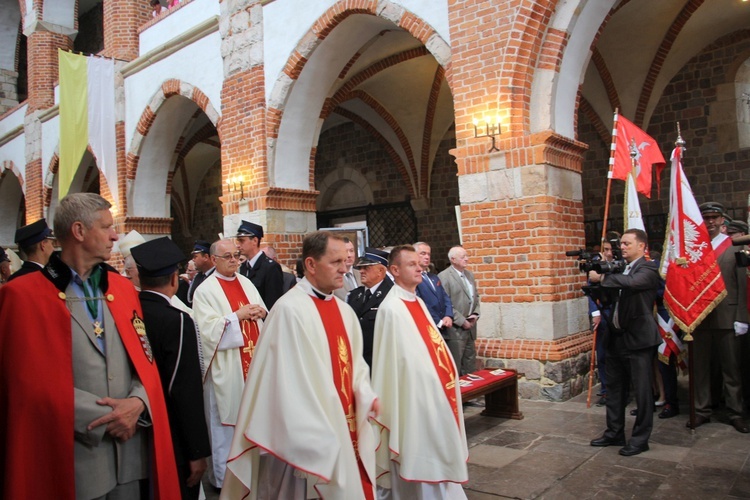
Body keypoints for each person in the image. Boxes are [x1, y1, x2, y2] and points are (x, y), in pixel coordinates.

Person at [0, 192, 179, 499]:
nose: (115, 235)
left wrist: (138, 403)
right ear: (79, 231)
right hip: (74, 456)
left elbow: (144, 359)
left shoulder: (122, 289)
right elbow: (23, 383)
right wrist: (104, 419)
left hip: (130, 453)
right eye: (107, 227)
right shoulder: (22, 295)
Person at [223, 231, 378, 499]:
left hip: (344, 430)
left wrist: (366, 395)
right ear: (310, 264)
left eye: (345, 260)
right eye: (335, 262)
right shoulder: (289, 311)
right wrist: (320, 431)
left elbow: (356, 368)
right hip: (302, 442)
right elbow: (286, 385)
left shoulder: (345, 311)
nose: (345, 268)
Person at [371, 245, 468, 498]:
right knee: (420, 452)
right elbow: (394, 363)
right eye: (412, 264)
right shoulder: (391, 308)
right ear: (394, 270)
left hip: (435, 395)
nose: (420, 267)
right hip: (413, 399)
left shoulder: (417, 302)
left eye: (420, 262)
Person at [133, 237, 211, 500]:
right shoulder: (177, 320)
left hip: (137, 423)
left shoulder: (128, 313)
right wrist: (197, 451)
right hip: (172, 434)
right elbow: (184, 389)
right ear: (174, 279)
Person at [193, 239, 267, 489]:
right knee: (225, 425)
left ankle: (255, 474)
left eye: (237, 255)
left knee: (253, 418)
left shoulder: (246, 282)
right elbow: (205, 330)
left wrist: (261, 314)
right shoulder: (206, 290)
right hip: (227, 368)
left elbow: (262, 312)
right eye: (228, 256)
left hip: (253, 363)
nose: (235, 260)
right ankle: (225, 480)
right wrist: (237, 316)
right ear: (214, 260)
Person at [588, 228, 661, 456]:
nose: (622, 247)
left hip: (638, 338)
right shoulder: (621, 268)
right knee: (615, 389)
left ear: (642, 246)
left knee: (641, 392)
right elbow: (611, 294)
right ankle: (614, 432)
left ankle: (640, 439)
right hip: (616, 337)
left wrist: (603, 277)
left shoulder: (648, 268)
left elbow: (631, 283)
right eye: (621, 243)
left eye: (627, 243)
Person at [691, 202, 749, 433]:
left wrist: (742, 317)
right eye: (707, 218)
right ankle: (701, 410)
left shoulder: (733, 247)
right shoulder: (696, 249)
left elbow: (742, 284)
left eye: (715, 218)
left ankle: (736, 412)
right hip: (701, 316)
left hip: (728, 314)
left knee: (731, 369)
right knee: (702, 368)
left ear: (722, 219)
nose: (711, 222)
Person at [346, 247, 393, 370]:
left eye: (366, 268)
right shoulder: (354, 295)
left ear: (381, 271)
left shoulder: (391, 295)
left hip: (381, 362)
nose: (361, 271)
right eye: (360, 268)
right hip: (358, 361)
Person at [438, 245, 481, 375]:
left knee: (470, 365)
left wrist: (475, 314)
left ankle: (472, 393)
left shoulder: (469, 275)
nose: (467, 259)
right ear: (453, 259)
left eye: (466, 256)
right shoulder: (444, 276)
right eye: (463, 257)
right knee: (455, 366)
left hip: (470, 327)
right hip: (455, 330)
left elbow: (476, 296)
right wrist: (462, 321)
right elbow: (445, 303)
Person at [589, 240, 614, 407]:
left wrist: (603, 277)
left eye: (611, 250)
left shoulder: (622, 266)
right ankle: (606, 390)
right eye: (605, 250)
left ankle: (621, 391)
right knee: (603, 355)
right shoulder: (599, 265)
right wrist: (595, 312)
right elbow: (590, 290)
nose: (608, 253)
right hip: (603, 314)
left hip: (618, 315)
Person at [235, 220, 284, 309]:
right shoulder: (243, 267)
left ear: (254, 240)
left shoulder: (270, 267)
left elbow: (274, 303)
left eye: (242, 241)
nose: (238, 245)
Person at [413, 242, 454, 335]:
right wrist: (438, 321)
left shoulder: (434, 277)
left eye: (429, 254)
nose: (427, 257)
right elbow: (420, 303)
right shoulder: (413, 278)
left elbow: (445, 297)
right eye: (423, 253)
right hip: (428, 327)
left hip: (444, 326)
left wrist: (448, 315)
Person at [187, 239, 214, 306]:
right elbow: (190, 299)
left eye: (195, 256)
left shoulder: (216, 275)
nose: (193, 260)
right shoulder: (198, 276)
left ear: (206, 257)